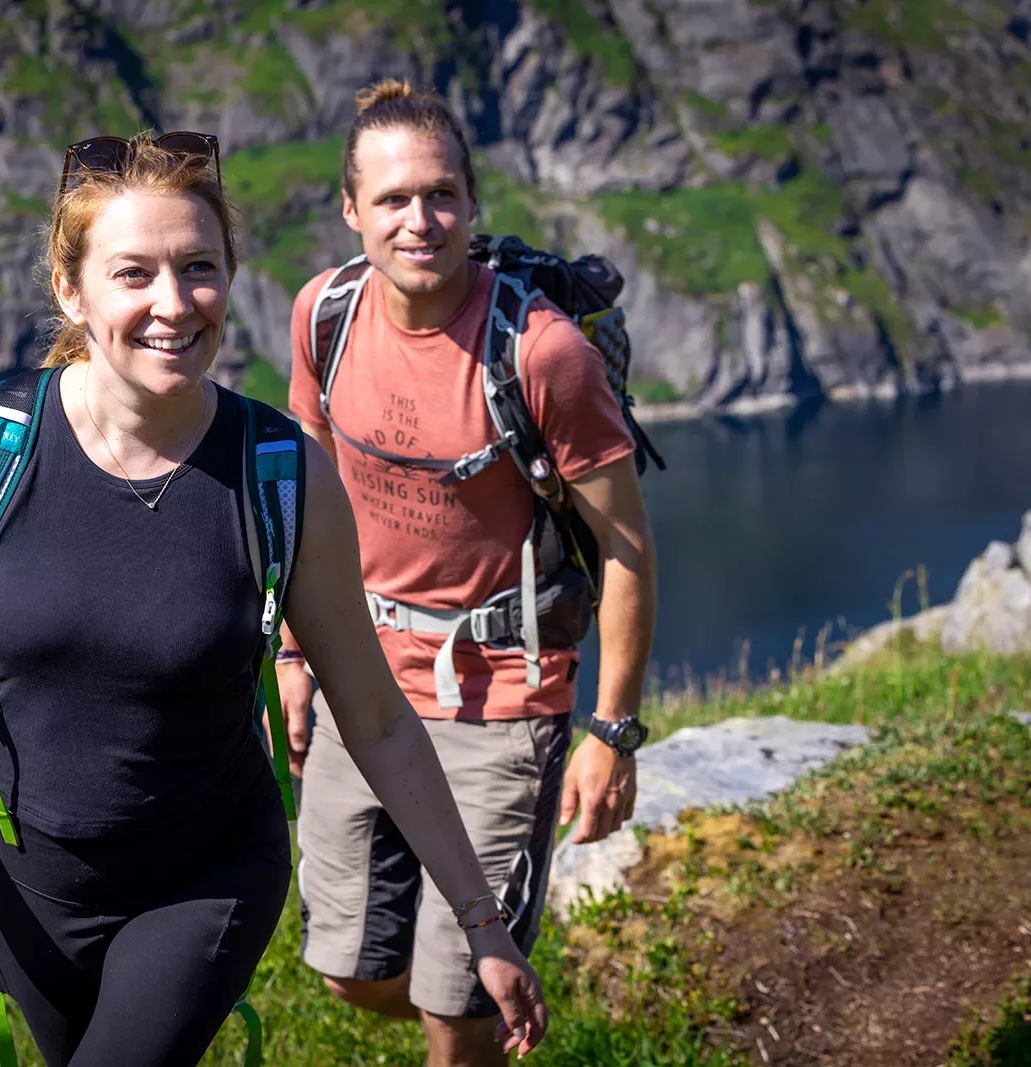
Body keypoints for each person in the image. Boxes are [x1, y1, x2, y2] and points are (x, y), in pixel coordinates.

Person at [0, 131, 549, 1067]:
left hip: (206, 877)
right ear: (72, 290)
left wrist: (479, 922)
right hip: (28, 893)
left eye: (199, 269)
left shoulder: (283, 472)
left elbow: (375, 719)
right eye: (133, 273)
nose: (172, 304)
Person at [279, 82, 659, 1067]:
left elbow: (624, 549)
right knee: (350, 968)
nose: (421, 219)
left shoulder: (543, 355)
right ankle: (492, 1010)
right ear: (351, 209)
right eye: (395, 198)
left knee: (453, 1005)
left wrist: (610, 732)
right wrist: (292, 649)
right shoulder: (323, 316)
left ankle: (479, 1012)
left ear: (471, 203)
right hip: (364, 679)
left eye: (441, 194)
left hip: (502, 693)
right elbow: (311, 498)